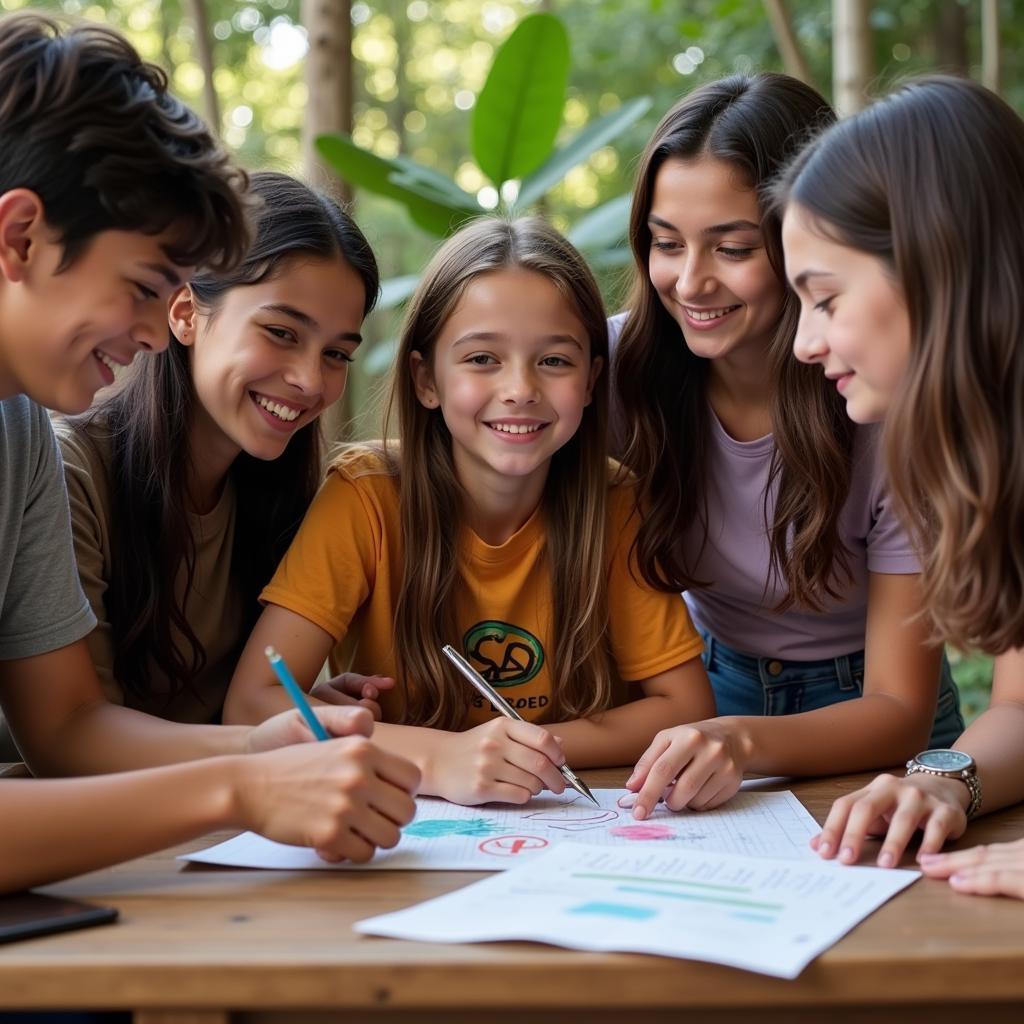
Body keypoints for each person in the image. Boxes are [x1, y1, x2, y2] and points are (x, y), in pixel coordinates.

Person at [0, 11, 417, 894]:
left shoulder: (22, 434)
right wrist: (243, 782)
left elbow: (68, 728)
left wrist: (263, 749)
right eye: (146, 289)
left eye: (337, 352)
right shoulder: (71, 453)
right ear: (19, 237)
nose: (157, 331)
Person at [224, 216, 716, 805]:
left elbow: (686, 710)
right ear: (426, 379)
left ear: (591, 381)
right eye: (483, 358)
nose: (520, 388)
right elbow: (253, 705)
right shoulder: (365, 496)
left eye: (555, 361)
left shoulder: (616, 502)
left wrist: (513, 749)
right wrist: (441, 757)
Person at [612, 73, 963, 821]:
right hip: (706, 694)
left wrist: (741, 742)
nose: (692, 282)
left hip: (876, 720)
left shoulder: (887, 400)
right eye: (666, 244)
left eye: (733, 248)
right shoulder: (616, 370)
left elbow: (899, 704)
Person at [777, 75, 1024, 897]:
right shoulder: (995, 465)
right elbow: (1021, 712)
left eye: (824, 298)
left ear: (933, 260)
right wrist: (944, 780)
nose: (805, 343)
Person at [53, 170, 390, 728]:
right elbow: (80, 741)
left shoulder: (289, 493)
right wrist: (263, 744)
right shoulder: (69, 474)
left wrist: (300, 707)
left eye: (336, 354)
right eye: (281, 332)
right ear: (185, 313)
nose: (311, 380)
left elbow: (235, 708)